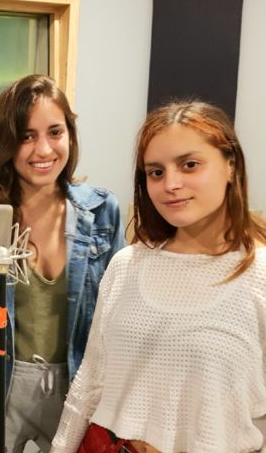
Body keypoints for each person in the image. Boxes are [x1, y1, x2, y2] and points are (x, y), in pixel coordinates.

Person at [50, 101, 266, 453]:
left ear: (231, 166)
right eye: (156, 172)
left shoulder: (258, 276)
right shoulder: (125, 265)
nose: (171, 184)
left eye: (190, 164)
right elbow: (91, 379)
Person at [0, 74, 125, 453]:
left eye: (54, 132)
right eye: (26, 136)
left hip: (77, 392)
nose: (43, 149)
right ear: (7, 142)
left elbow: (118, 320)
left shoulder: (102, 212)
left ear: (70, 135)